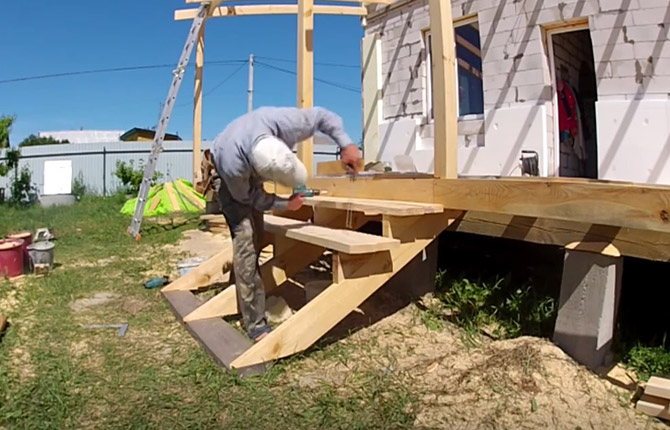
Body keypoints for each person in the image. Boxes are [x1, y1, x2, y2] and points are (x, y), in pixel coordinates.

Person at [211, 106, 361, 341]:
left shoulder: (283, 123)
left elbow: (323, 116)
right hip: (229, 179)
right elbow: (249, 198)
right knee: (247, 242)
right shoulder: (233, 166)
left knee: (259, 237)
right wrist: (284, 204)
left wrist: (346, 144)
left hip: (249, 157)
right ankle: (255, 324)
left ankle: (239, 286)